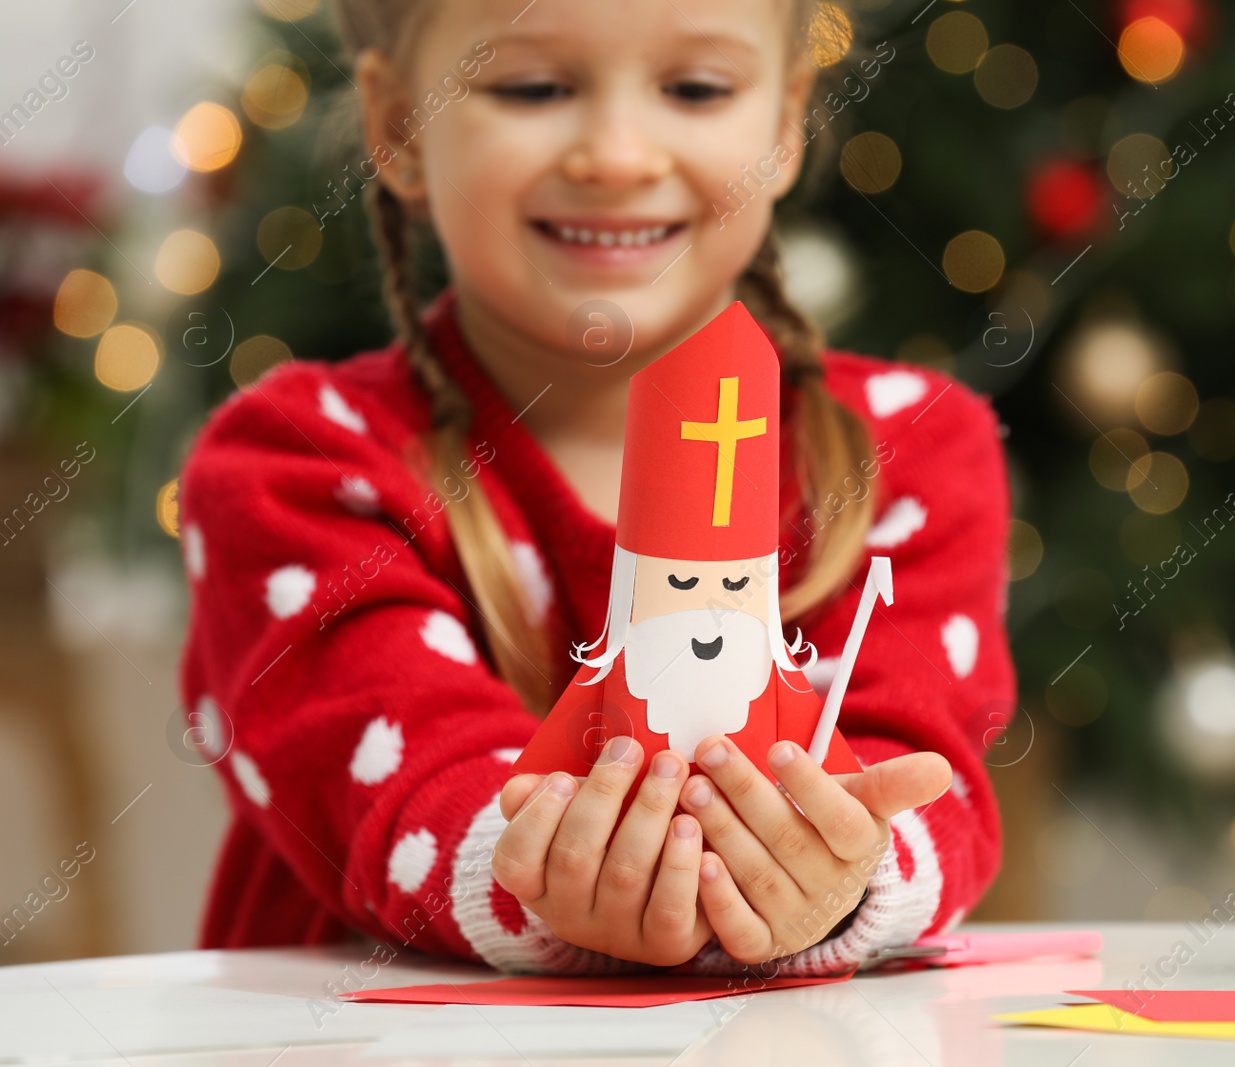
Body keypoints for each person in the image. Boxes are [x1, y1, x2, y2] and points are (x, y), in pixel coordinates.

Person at [179, 0, 1015, 975]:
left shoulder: (908, 450)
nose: (616, 156)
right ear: (397, 124)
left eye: (695, 89)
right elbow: (400, 795)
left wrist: (834, 872)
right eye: (532, 87)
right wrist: (555, 875)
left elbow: (918, 779)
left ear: (786, 123)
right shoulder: (294, 467)